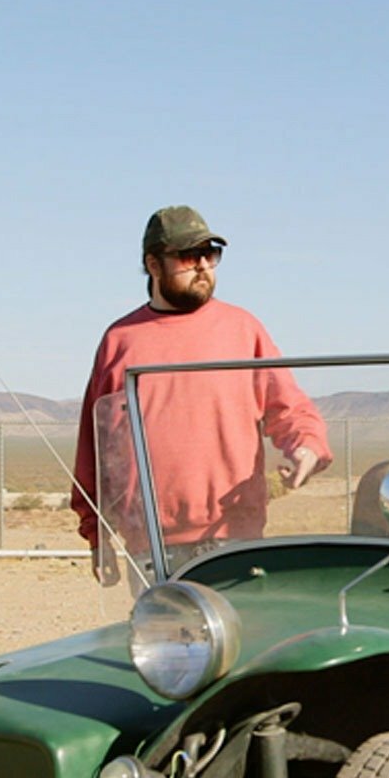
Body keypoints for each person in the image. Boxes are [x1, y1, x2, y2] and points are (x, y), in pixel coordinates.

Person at [71, 205, 331, 582]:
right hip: (152, 547)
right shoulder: (120, 341)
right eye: (189, 256)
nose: (204, 266)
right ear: (154, 265)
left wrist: (307, 446)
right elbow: (95, 447)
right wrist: (97, 536)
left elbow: (289, 407)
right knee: (162, 642)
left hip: (233, 538)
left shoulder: (243, 329)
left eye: (211, 255)